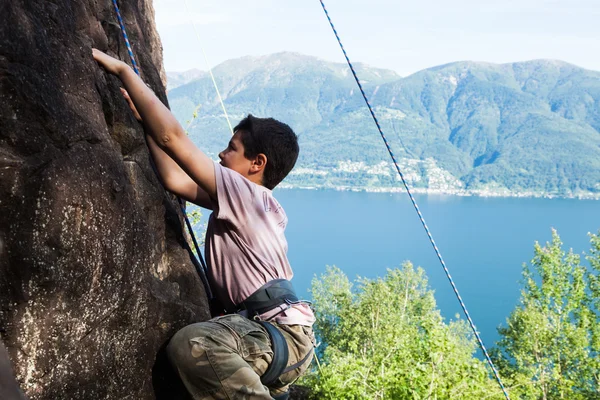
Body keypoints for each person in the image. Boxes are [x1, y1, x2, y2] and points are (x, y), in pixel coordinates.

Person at [92, 49, 315, 400]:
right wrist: (145, 123)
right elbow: (174, 179)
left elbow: (174, 139)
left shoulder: (247, 196)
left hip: (274, 333)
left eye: (231, 149)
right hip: (277, 335)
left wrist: (124, 72)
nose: (221, 155)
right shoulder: (249, 203)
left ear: (257, 163)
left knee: (195, 344)